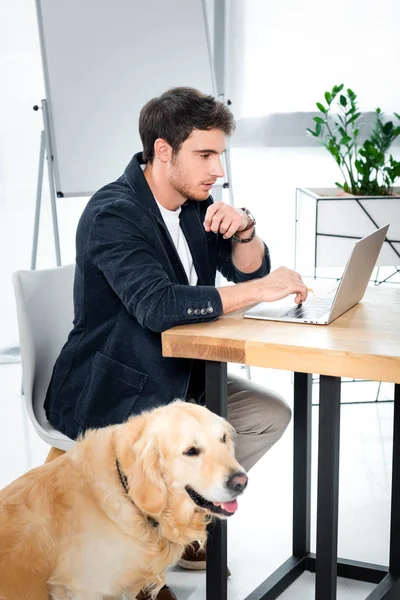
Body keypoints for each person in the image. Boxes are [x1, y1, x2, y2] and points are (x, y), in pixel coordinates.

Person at [44, 87, 307, 600]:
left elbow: (246, 267)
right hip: (118, 388)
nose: (217, 169)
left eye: (219, 155)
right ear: (163, 151)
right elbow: (158, 306)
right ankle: (143, 552)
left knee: (266, 415)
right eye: (205, 155)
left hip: (181, 379)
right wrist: (261, 290)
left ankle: (179, 516)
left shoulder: (192, 203)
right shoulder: (114, 214)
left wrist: (245, 232)